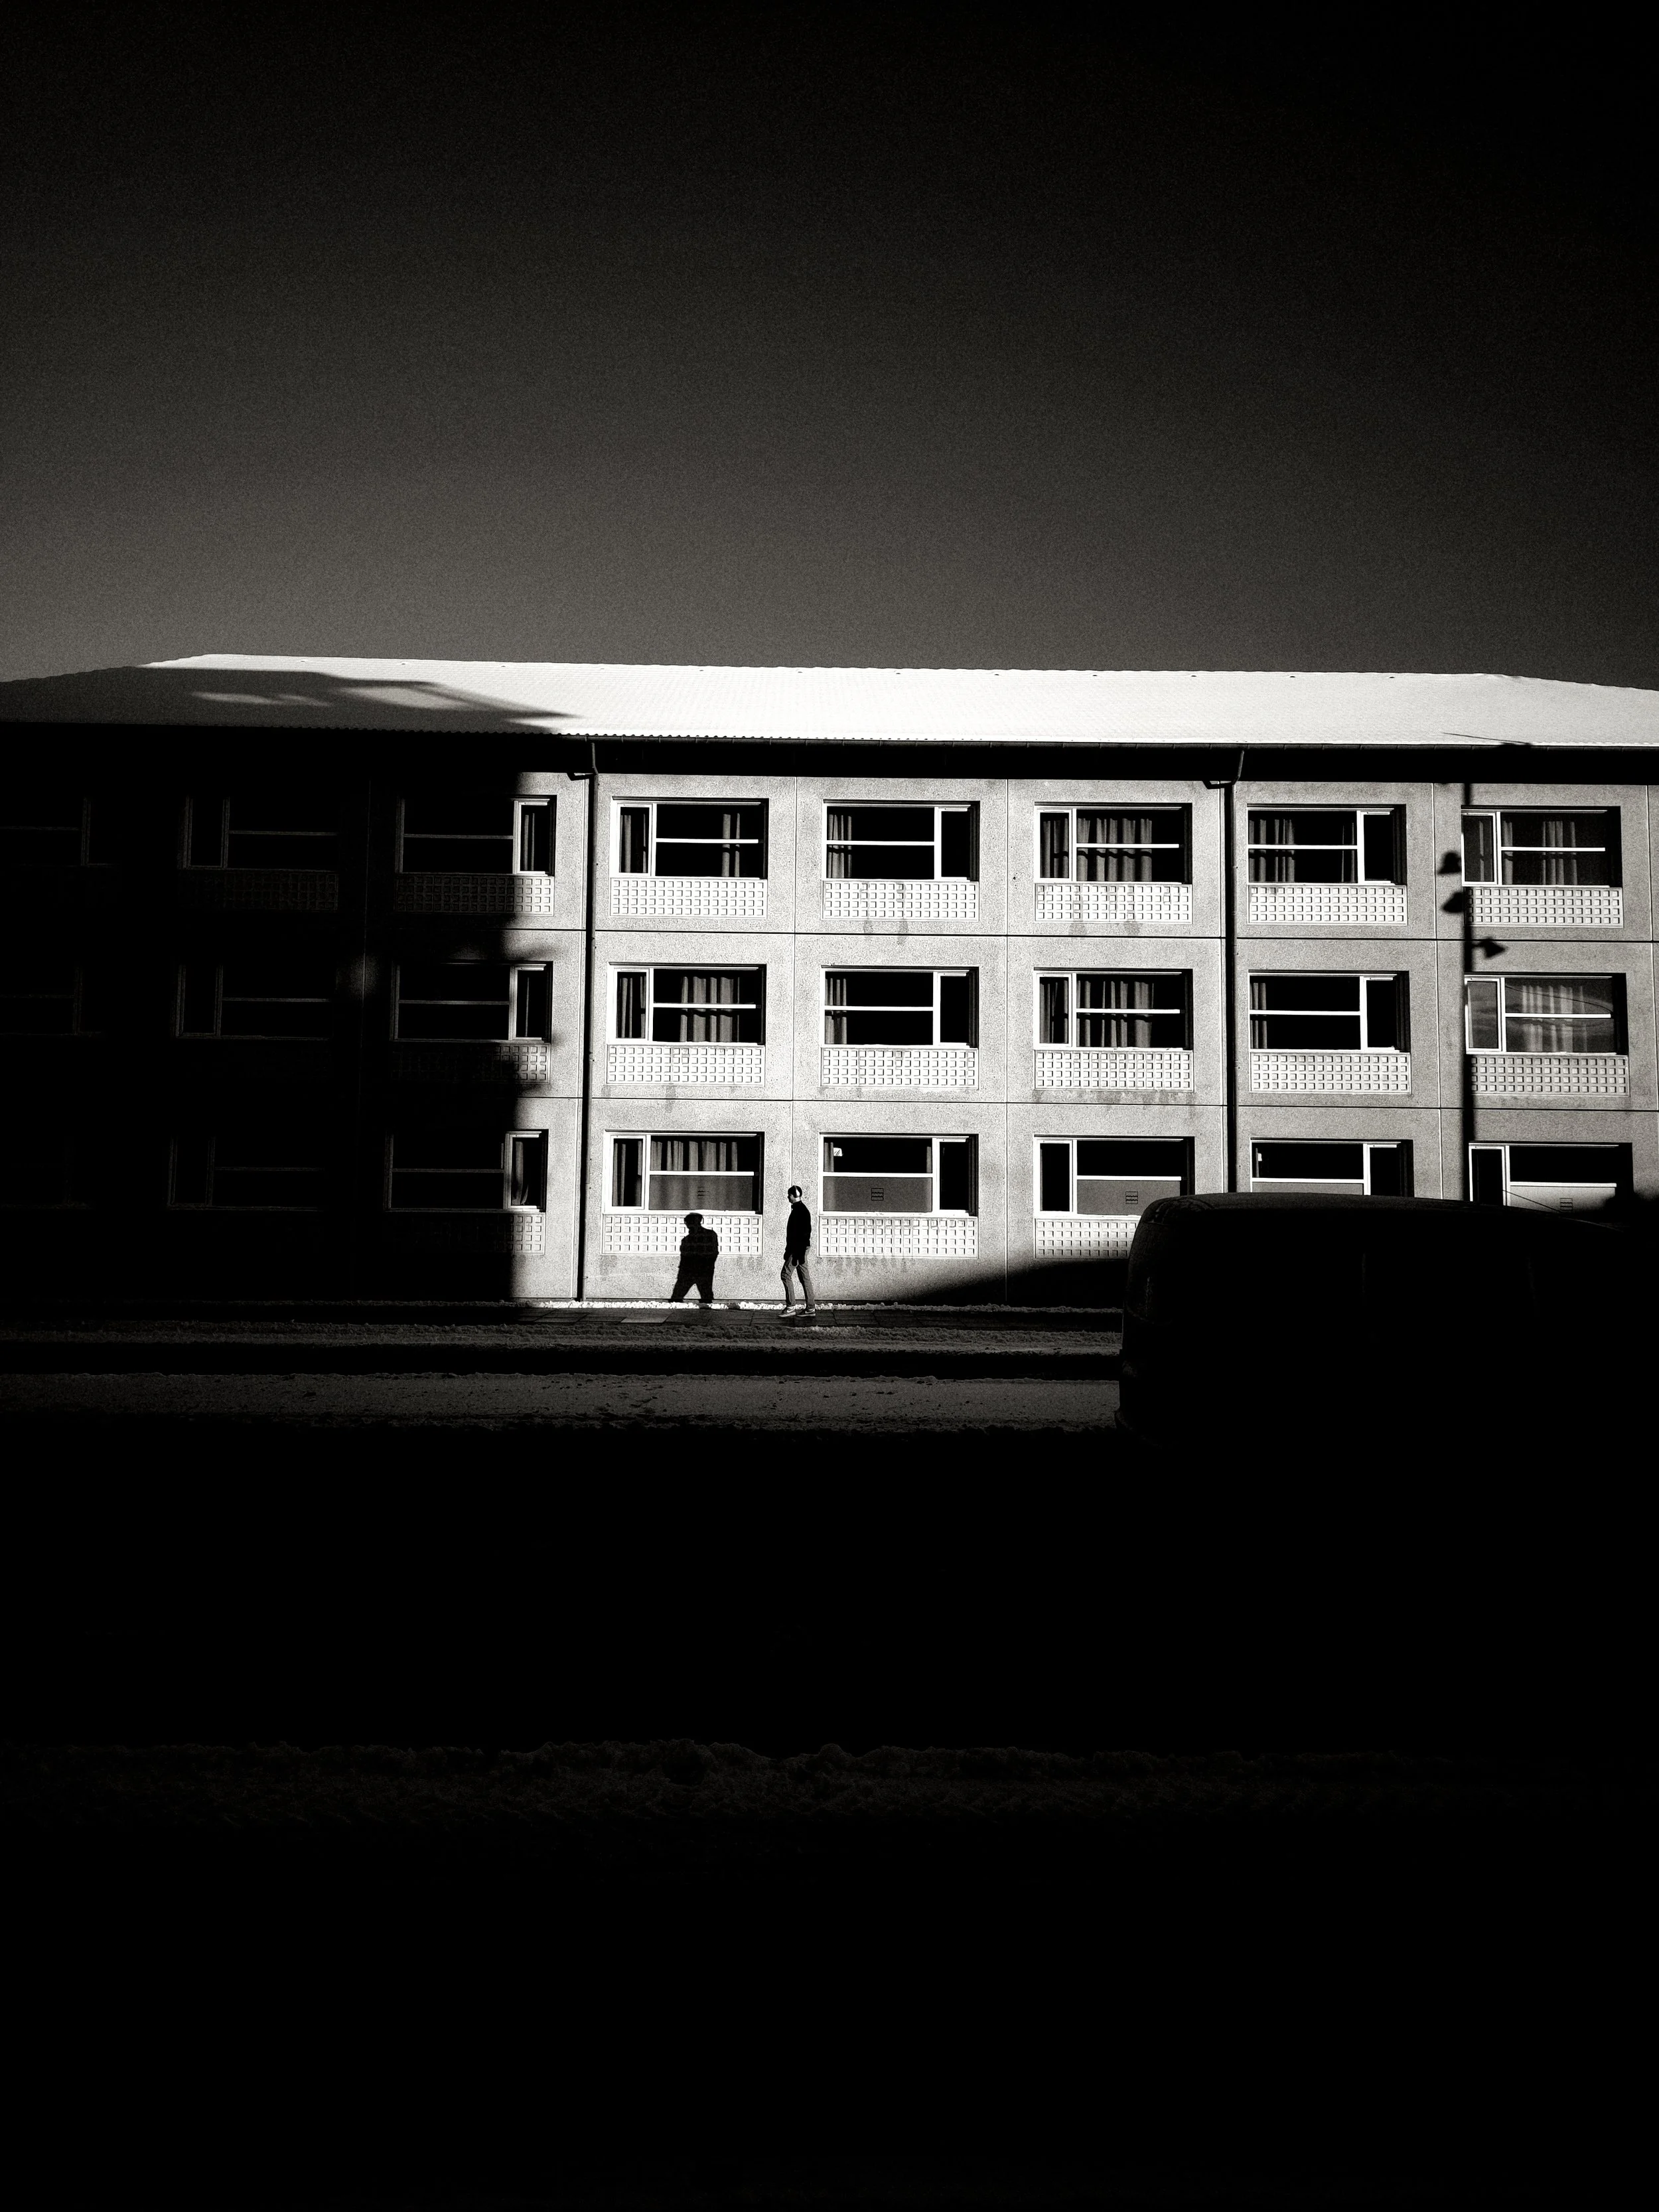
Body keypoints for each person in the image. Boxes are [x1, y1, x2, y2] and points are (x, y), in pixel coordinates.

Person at [779, 1183, 817, 1318]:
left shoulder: (799, 1211)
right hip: (799, 1249)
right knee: (804, 1277)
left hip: (797, 1250)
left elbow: (802, 1234)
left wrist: (796, 1254)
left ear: (794, 1196)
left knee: (785, 1275)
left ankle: (790, 1307)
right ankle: (810, 1308)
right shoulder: (801, 1210)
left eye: (789, 1195)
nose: (787, 1197)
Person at [670, 1213, 719, 1307]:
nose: (688, 1225)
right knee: (706, 1294)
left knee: (678, 1295)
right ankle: (708, 1314)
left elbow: (713, 1253)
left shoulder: (688, 1239)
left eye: (688, 1223)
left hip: (694, 1269)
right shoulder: (710, 1235)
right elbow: (714, 1252)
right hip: (701, 1269)